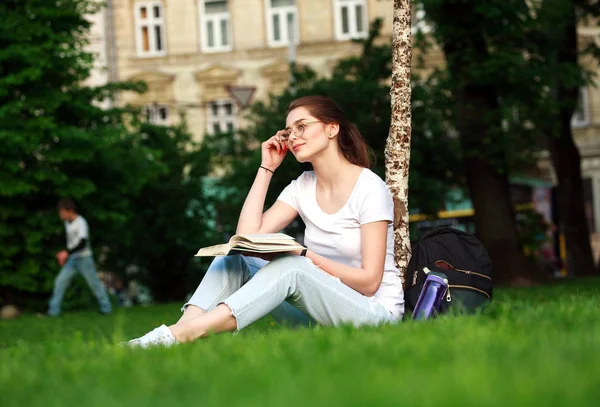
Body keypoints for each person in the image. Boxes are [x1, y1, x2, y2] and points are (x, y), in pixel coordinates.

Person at [128, 96, 404, 347]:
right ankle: (172, 336)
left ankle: (178, 336)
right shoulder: (302, 187)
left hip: (373, 314)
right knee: (231, 258)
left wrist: (304, 255)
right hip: (318, 315)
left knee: (294, 267)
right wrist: (267, 167)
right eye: (289, 131)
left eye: (301, 126)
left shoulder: (369, 187)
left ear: (332, 129)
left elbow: (369, 282)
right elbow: (245, 239)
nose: (293, 137)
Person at [47, 199, 112, 316]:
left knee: (94, 284)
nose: (60, 215)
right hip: (72, 260)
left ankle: (106, 309)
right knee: (60, 282)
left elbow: (82, 243)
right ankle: (53, 312)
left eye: (62, 212)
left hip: (84, 259)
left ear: (69, 210)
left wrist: (66, 252)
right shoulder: (67, 223)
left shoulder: (81, 222)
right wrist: (66, 254)